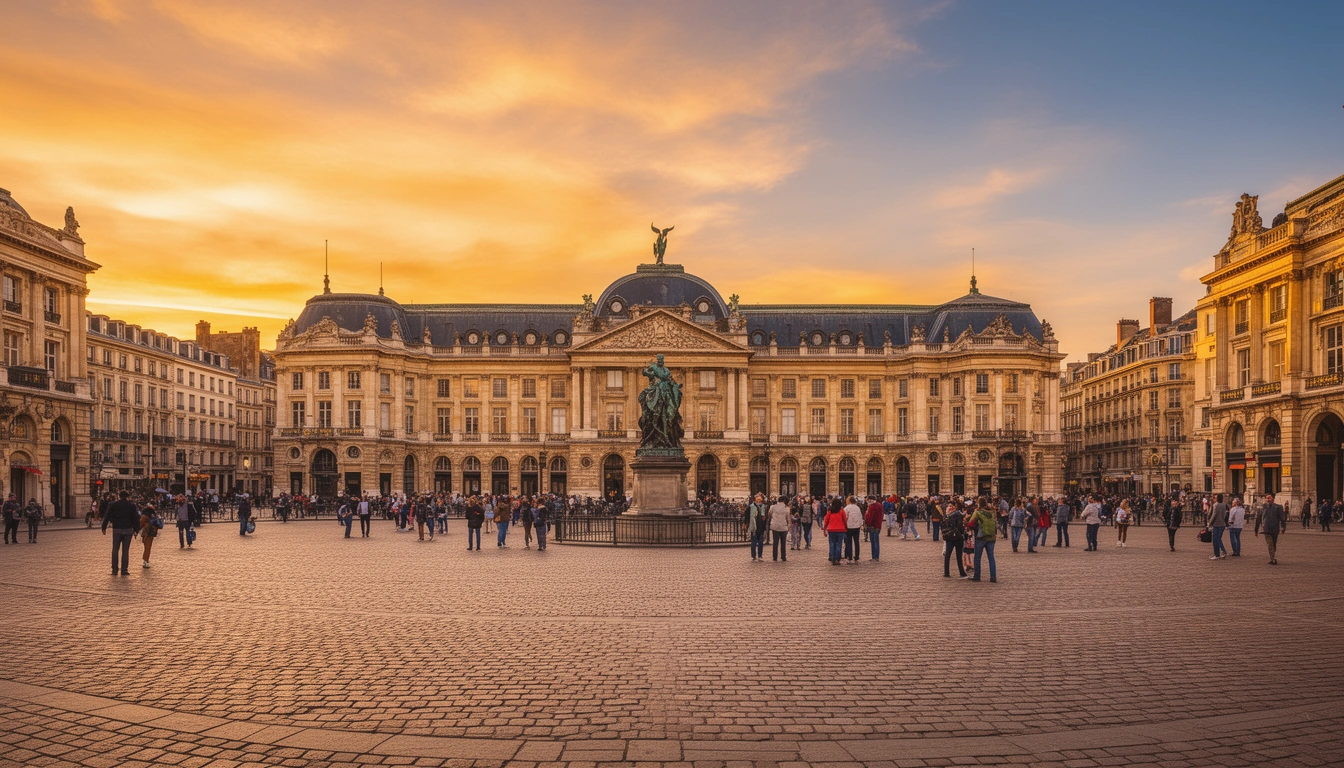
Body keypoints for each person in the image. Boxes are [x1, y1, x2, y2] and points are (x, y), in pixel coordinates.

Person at [101, 491, 141, 575]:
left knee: (115, 549)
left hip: (117, 529)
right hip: (128, 529)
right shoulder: (131, 505)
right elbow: (136, 518)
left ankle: (114, 569)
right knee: (125, 551)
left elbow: (107, 516)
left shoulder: (113, 505)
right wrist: (136, 530)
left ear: (119, 496)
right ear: (127, 496)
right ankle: (124, 570)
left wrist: (104, 527)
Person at [969, 499, 997, 582]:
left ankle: (977, 576)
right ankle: (993, 577)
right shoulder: (992, 512)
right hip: (991, 537)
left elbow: (971, 523)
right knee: (991, 557)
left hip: (980, 537)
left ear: (978, 504)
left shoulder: (977, 512)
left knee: (977, 557)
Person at [1254, 493, 1285, 565]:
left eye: (1269, 498)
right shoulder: (1262, 507)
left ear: (1273, 498)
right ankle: (1273, 559)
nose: (1268, 500)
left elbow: (1282, 518)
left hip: (1275, 528)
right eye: (1267, 498)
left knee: (1273, 544)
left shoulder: (1278, 507)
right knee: (1270, 544)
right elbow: (1258, 519)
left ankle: (1272, 555)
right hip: (1266, 528)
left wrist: (1283, 528)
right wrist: (1256, 530)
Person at [941, 503, 967, 578]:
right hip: (958, 538)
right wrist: (961, 534)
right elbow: (960, 526)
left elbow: (942, 527)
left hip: (949, 537)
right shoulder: (958, 515)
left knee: (947, 555)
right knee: (959, 556)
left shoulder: (945, 517)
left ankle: (946, 572)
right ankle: (962, 573)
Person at [823, 498, 847, 565]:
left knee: (832, 544)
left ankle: (832, 558)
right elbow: (844, 520)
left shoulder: (830, 512)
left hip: (831, 530)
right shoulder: (842, 511)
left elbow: (826, 521)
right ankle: (837, 559)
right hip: (840, 530)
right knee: (839, 545)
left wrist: (824, 529)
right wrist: (846, 528)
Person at [745, 493, 768, 561]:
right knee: (754, 542)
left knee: (760, 542)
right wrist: (745, 524)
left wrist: (765, 518)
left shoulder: (763, 507)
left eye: (760, 499)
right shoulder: (751, 507)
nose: (759, 500)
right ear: (754, 500)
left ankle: (760, 556)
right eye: (757, 498)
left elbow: (766, 515)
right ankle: (754, 556)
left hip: (761, 526)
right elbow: (746, 516)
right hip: (754, 526)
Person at [769, 495, 791, 562]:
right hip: (783, 526)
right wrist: (788, 526)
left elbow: (769, 514)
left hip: (775, 525)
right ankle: (783, 556)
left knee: (775, 542)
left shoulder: (773, 507)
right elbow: (788, 518)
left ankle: (775, 556)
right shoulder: (787, 508)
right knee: (783, 542)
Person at [1208, 494, 1229, 560]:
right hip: (1222, 524)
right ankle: (1223, 551)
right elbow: (1225, 514)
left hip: (1216, 524)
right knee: (1219, 539)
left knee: (1215, 540)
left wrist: (1210, 523)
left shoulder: (1216, 505)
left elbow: (1214, 515)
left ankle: (1217, 554)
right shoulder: (1224, 505)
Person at [844, 496, 864, 562]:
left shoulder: (847, 508)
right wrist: (861, 525)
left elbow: (845, 517)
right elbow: (860, 517)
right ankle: (857, 556)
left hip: (849, 527)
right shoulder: (857, 508)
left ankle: (850, 556)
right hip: (856, 527)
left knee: (849, 542)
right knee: (856, 542)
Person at [864, 496, 883, 561]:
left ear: (870, 500)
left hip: (872, 525)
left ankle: (874, 556)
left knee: (873, 541)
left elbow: (869, 516)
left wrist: (866, 523)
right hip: (878, 525)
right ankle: (876, 556)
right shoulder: (879, 505)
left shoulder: (871, 507)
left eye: (868, 500)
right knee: (876, 541)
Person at [139, 504, 158, 569]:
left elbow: (140, 525)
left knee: (147, 547)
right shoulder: (153, 516)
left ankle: (145, 560)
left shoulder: (144, 517)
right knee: (148, 547)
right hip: (151, 532)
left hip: (146, 532)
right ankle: (146, 560)